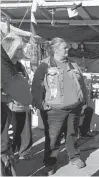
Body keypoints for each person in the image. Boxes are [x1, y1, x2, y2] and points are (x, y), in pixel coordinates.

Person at [31, 37, 88, 175]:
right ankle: (50, 163)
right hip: (54, 110)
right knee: (53, 138)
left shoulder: (73, 65)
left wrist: (84, 102)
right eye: (65, 48)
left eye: (67, 47)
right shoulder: (45, 65)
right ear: (56, 50)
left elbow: (82, 85)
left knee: (72, 134)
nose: (68, 49)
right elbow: (36, 87)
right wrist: (41, 104)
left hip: (74, 108)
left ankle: (74, 157)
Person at [1, 34, 33, 176]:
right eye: (19, 48)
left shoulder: (19, 66)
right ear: (11, 49)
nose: (23, 51)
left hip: (19, 107)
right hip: (6, 111)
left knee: (13, 140)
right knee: (6, 143)